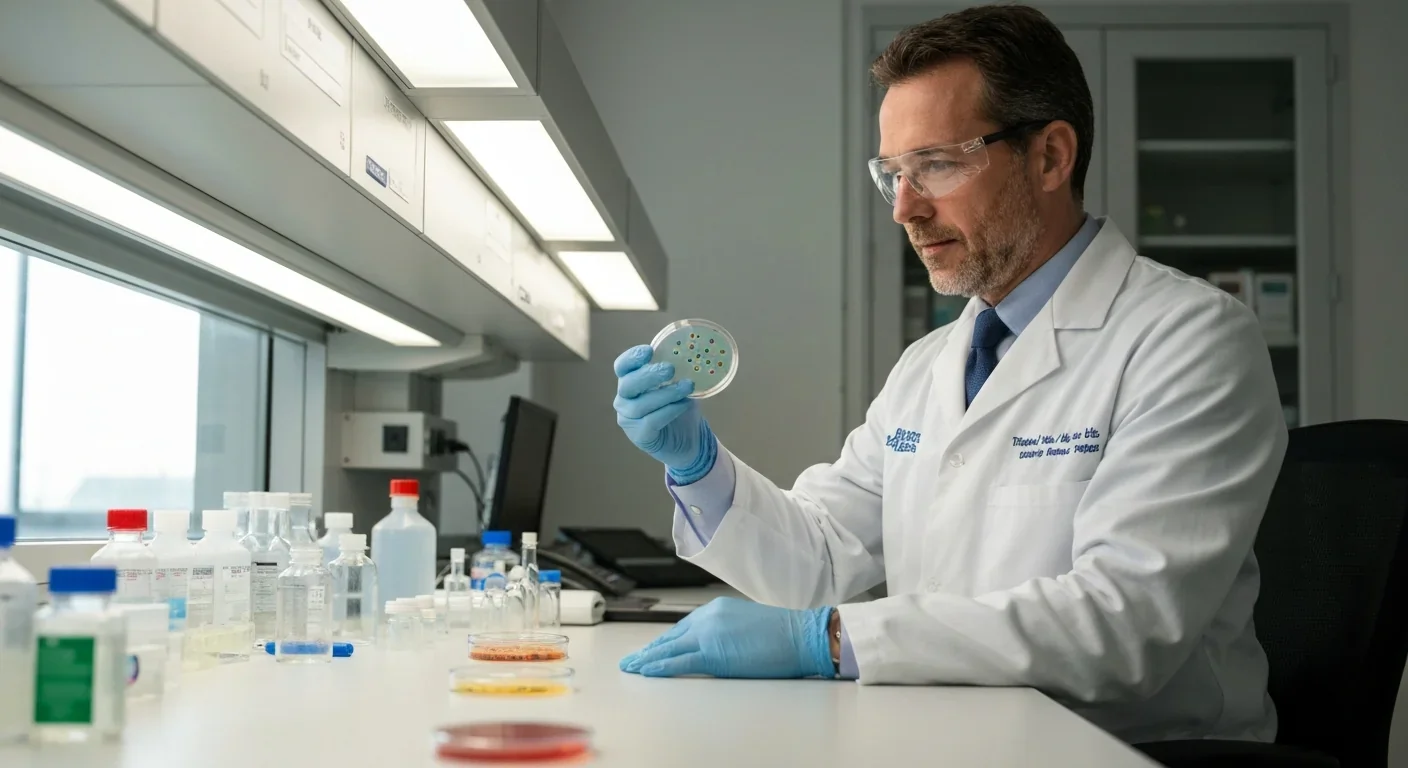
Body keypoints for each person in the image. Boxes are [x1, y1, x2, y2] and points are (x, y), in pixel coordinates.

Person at [611, 3, 1286, 746]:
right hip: (949, 733)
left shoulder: (1188, 339)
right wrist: (698, 467)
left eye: (936, 164)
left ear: (1051, 157)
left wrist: (827, 640)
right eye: (893, 172)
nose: (904, 208)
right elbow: (821, 557)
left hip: (1124, 750)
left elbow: (1123, 624)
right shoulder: (929, 366)